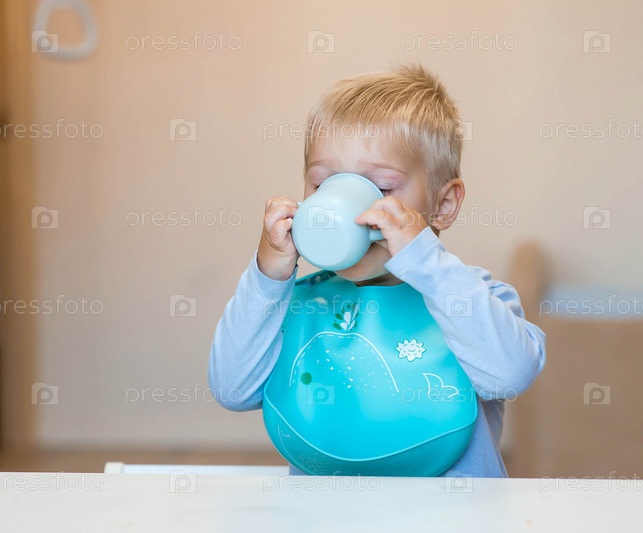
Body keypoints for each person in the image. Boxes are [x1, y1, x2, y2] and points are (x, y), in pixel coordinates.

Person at [208, 64, 546, 477]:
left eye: (382, 188)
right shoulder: (297, 304)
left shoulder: (473, 296)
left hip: (454, 510)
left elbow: (510, 375)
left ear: (442, 205)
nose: (350, 209)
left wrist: (425, 261)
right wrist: (268, 277)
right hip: (321, 510)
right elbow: (232, 390)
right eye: (323, 185)